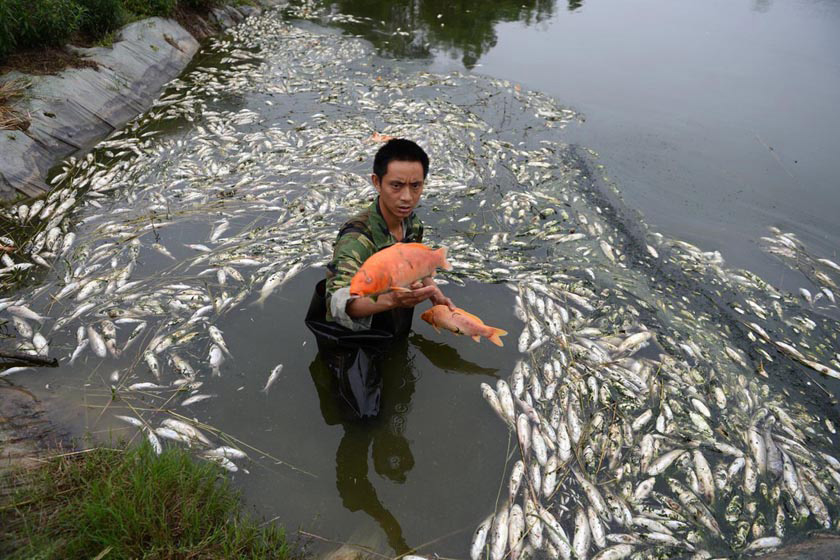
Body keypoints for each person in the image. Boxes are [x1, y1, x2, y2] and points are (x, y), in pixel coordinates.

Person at [325, 138, 453, 332]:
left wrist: (436, 295)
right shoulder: (356, 239)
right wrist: (393, 299)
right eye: (396, 185)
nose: (407, 197)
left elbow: (417, 265)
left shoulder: (412, 223)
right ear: (377, 182)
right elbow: (337, 303)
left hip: (395, 322)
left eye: (415, 186)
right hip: (362, 338)